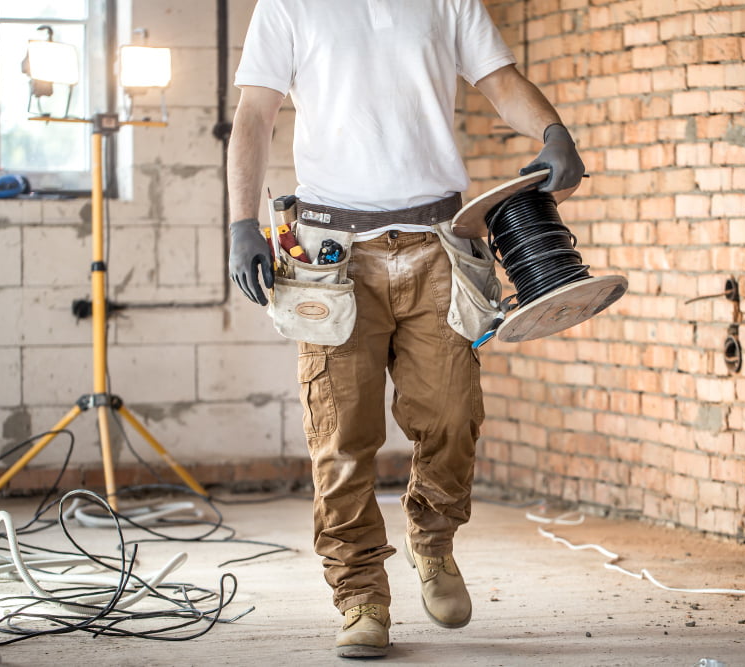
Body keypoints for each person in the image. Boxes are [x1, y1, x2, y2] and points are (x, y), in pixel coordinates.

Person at [226, 0, 584, 659]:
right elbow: (255, 111)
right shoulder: (287, 4)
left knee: (453, 413)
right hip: (331, 257)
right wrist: (241, 220)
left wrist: (552, 130)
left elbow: (499, 80)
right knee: (340, 436)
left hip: (439, 245)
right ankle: (361, 593)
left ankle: (433, 540)